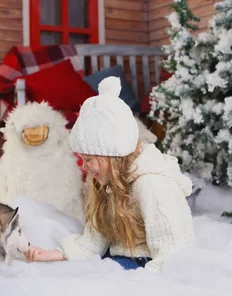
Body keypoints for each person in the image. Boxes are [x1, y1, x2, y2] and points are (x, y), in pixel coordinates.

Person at [25, 77, 195, 272]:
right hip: (120, 258)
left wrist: (143, 285)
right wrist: (54, 254)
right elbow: (95, 239)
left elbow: (173, 252)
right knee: (71, 273)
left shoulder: (152, 185)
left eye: (89, 159)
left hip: (147, 266)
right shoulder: (109, 183)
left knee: (88, 280)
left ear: (111, 156)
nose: (85, 167)